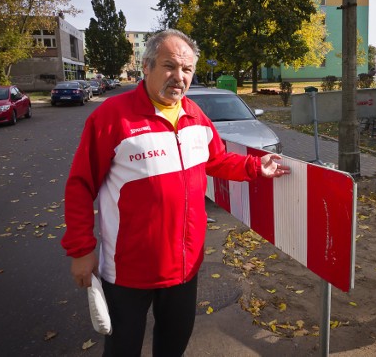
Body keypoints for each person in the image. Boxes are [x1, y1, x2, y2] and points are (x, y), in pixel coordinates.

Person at [61, 29, 290, 357]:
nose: (179, 77)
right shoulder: (112, 117)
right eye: (170, 66)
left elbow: (218, 160)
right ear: (147, 66)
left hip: (184, 267)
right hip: (128, 270)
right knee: (122, 349)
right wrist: (81, 250)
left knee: (173, 346)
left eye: (187, 69)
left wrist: (256, 166)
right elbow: (80, 185)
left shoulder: (197, 117)